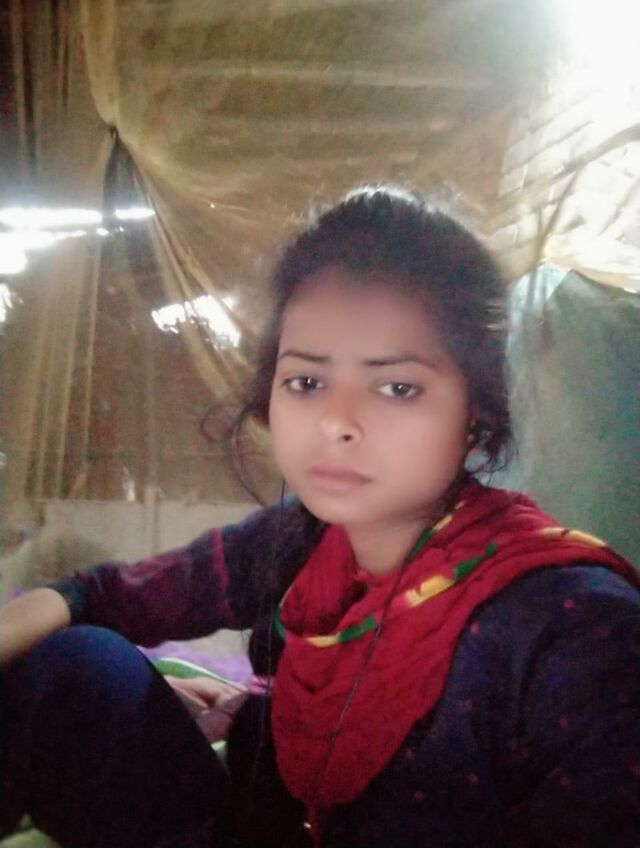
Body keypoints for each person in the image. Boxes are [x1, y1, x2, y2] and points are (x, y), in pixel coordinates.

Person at [1, 186, 639, 848]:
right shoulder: (301, 539)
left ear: (474, 413)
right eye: (306, 382)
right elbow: (102, 594)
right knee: (76, 668)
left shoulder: (575, 629)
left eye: (397, 387)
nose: (336, 422)